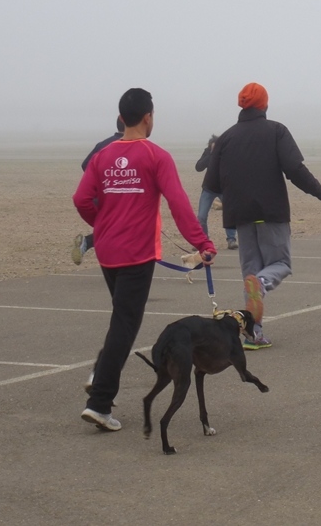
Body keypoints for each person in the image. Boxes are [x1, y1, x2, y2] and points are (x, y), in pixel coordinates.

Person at [73, 88, 216, 431]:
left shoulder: (102, 157)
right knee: (126, 323)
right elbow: (179, 204)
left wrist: (102, 224)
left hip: (108, 252)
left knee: (121, 318)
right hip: (135, 254)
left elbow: (81, 199)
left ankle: (100, 375)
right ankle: (100, 402)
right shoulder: (156, 156)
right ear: (148, 117)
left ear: (122, 118)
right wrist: (202, 243)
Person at [204, 82, 321, 349]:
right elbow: (294, 169)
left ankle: (254, 334)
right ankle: (261, 285)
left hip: (241, 214)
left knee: (250, 272)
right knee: (280, 264)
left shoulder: (226, 137)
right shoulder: (276, 131)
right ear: (264, 105)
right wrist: (319, 192)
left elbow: (211, 182)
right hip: (270, 212)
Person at [72, 117, 125, 265]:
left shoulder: (102, 144)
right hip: (116, 199)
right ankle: (88, 243)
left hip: (99, 197)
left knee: (113, 231)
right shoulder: (129, 145)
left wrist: (99, 180)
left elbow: (85, 165)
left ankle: (92, 247)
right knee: (119, 230)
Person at [195, 135, 238, 249]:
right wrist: (210, 155)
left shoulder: (227, 152)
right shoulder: (208, 152)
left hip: (224, 188)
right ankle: (204, 240)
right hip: (209, 188)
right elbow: (198, 167)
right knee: (201, 216)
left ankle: (231, 240)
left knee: (230, 214)